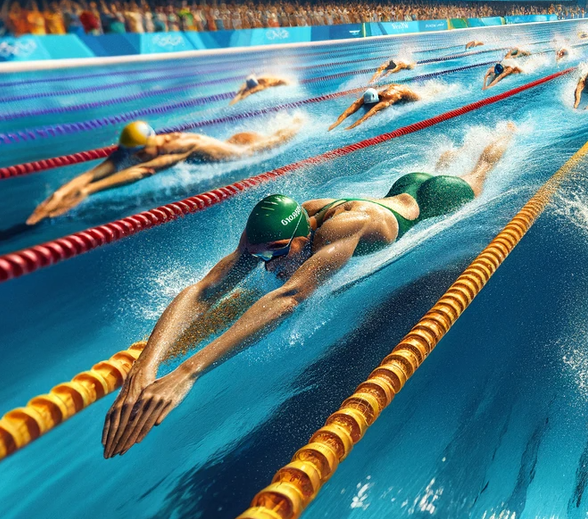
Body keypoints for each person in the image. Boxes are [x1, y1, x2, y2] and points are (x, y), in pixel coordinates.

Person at [101, 129, 516, 458]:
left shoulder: (339, 231)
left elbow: (289, 298)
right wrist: (145, 366)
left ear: (304, 239)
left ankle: (500, 140)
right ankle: (448, 158)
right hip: (398, 188)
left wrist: (186, 373)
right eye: (261, 257)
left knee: (477, 176)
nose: (269, 266)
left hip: (434, 197)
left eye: (280, 255)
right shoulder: (274, 232)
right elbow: (205, 289)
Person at [28, 119, 302, 224]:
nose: (132, 158)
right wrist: (60, 195)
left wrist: (88, 191)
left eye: (137, 153)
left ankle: (296, 123)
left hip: (240, 151)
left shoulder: (179, 147)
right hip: (234, 140)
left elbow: (144, 171)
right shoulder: (140, 142)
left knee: (273, 142)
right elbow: (95, 172)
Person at [329, 84, 421, 131]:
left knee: (421, 99)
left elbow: (369, 114)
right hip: (396, 88)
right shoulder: (371, 94)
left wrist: (351, 127)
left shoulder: (387, 100)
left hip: (409, 95)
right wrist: (336, 123)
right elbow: (352, 107)